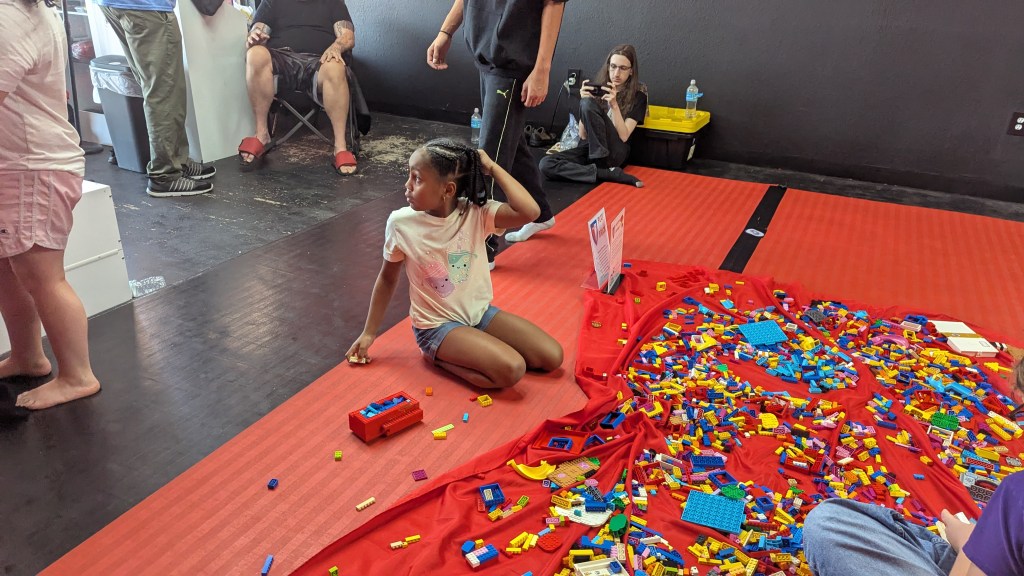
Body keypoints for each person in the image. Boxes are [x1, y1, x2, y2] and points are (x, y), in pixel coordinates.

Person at [346, 139, 563, 389]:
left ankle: (468, 345)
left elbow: (531, 212)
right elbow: (387, 278)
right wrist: (369, 332)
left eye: (417, 179)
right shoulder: (400, 223)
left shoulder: (477, 213)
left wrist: (492, 167)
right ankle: (435, 355)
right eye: (409, 175)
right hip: (436, 326)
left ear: (448, 190)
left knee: (552, 357)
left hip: (478, 314)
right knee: (512, 370)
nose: (407, 185)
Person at [802, 357, 1024, 576]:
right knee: (843, 520)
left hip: (970, 561)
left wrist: (970, 545)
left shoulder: (1016, 493)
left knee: (826, 523)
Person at [0, 0, 102, 409]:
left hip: (32, 168)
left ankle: (77, 376)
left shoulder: (8, 18)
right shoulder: (23, 13)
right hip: (19, 165)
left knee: (42, 275)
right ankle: (27, 356)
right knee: (9, 269)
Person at [427, 0, 567, 264]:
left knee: (491, 156)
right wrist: (446, 32)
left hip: (512, 62)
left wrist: (542, 69)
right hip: (486, 54)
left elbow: (553, 3)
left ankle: (483, 250)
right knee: (508, 141)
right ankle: (541, 213)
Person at [96, 0, 215, 197]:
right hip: (146, 8)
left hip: (117, 4)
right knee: (163, 91)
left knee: (157, 87)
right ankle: (165, 174)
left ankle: (177, 160)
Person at [238, 0, 361, 175]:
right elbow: (257, 30)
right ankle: (261, 134)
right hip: (282, 58)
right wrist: (254, 37)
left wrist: (336, 47)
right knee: (255, 54)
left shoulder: (333, 2)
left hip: (320, 60)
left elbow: (348, 36)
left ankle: (340, 146)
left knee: (335, 65)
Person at [538, 44, 647, 191]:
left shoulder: (639, 97)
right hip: (589, 150)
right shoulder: (598, 91)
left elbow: (624, 136)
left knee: (588, 104)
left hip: (614, 152)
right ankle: (605, 173)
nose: (616, 73)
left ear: (631, 71)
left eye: (623, 68)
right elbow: (583, 135)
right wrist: (584, 103)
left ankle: (600, 162)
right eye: (613, 66)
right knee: (546, 164)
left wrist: (614, 105)